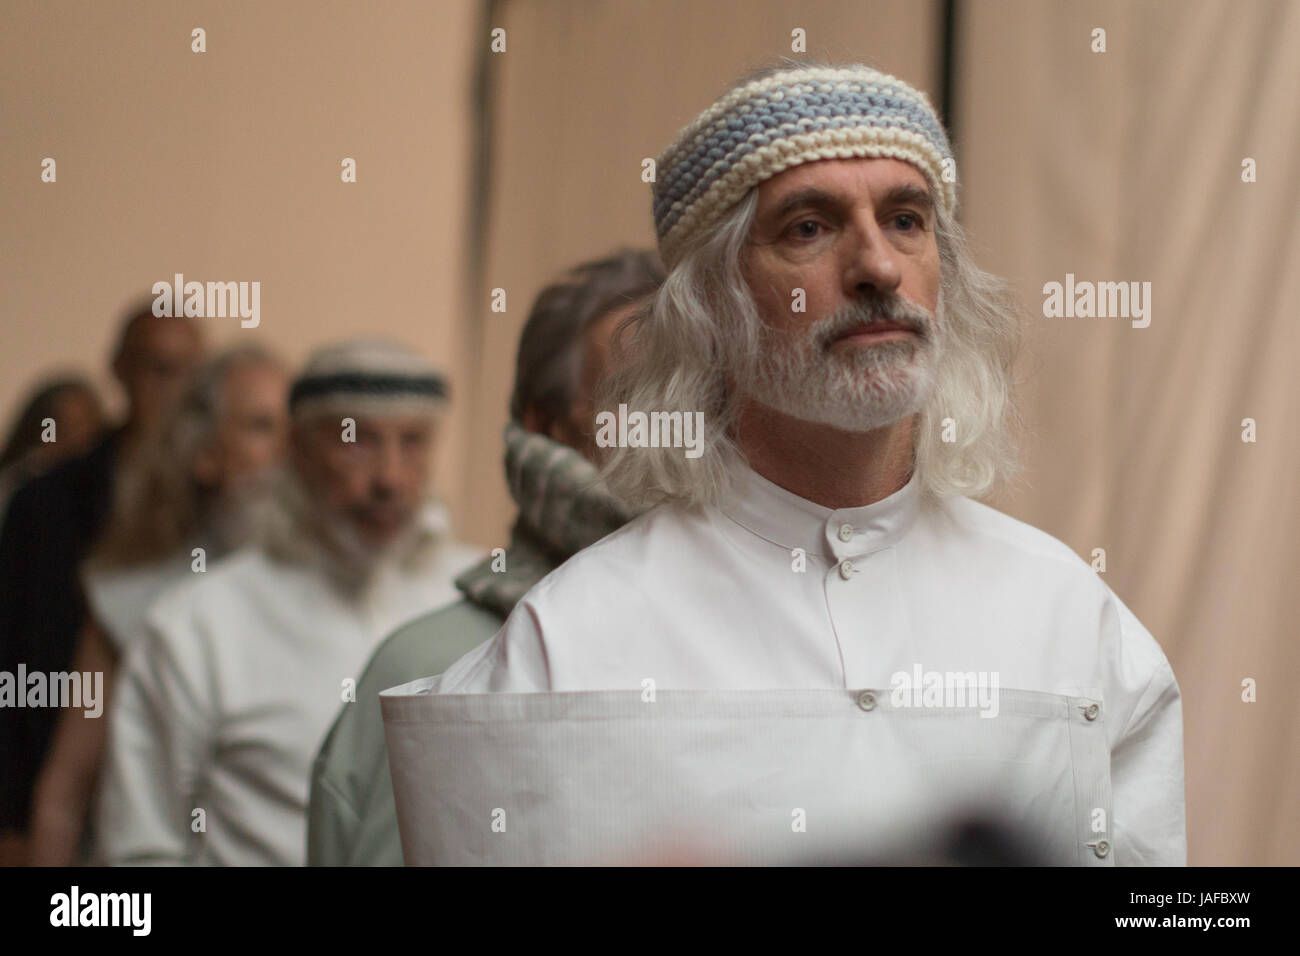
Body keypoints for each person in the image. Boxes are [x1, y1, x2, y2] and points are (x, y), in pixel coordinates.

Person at [405, 63, 1186, 866]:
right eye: (809, 228)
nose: (877, 267)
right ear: (709, 306)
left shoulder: (1074, 621)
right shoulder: (563, 646)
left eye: (906, 220)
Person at [307, 250, 662, 865]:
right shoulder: (435, 667)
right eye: (639, 394)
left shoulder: (763, 636)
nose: (680, 427)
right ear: (547, 425)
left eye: (704, 390)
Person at [95, 339, 481, 866]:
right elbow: (141, 850)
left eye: (412, 442)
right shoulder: (199, 625)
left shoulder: (475, 597)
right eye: (359, 441)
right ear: (296, 448)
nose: (390, 478)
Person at [28, 346, 289, 866]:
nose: (287, 450)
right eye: (261, 426)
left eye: (295, 428)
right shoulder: (137, 596)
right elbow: (64, 793)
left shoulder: (328, 591)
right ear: (205, 453)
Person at [0, 302, 203, 866]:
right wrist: (11, 815)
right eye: (157, 369)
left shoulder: (215, 507)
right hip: (63, 759)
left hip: (169, 781)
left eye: (188, 372)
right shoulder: (46, 501)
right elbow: (13, 658)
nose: (173, 390)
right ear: (119, 368)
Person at [0, 376, 105, 537]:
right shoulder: (17, 485)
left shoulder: (103, 483)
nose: (82, 437)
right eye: (69, 427)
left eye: (88, 425)